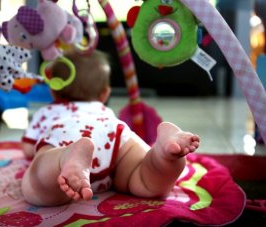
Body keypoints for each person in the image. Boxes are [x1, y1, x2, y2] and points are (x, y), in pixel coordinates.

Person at [21, 50, 200, 206]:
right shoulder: (104, 110)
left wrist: (45, 155)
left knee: (37, 187)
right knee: (142, 179)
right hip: (112, 133)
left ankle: (64, 157)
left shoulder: (47, 111)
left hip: (64, 133)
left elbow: (29, 148)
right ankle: (163, 155)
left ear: (53, 90)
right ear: (105, 93)